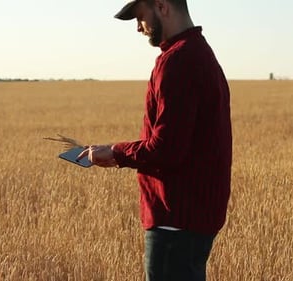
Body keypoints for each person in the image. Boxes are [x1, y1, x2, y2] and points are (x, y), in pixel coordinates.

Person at [77, 1, 232, 280]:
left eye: (140, 17)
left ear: (161, 5)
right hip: (192, 220)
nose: (138, 27)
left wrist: (115, 152)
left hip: (175, 220)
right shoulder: (200, 53)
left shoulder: (178, 60)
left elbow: (167, 149)